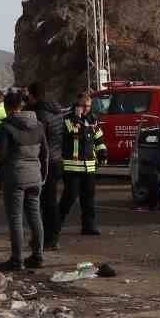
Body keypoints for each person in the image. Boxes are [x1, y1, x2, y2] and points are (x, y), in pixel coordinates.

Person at [0, 90, 48, 270]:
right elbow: (45, 154)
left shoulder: (6, 126)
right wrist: (43, 176)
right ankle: (38, 256)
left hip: (15, 177)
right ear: (21, 105)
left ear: (8, 107)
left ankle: (17, 260)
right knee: (35, 216)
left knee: (15, 218)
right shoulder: (38, 125)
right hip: (35, 176)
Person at [25, 82, 65, 249]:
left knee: (42, 204)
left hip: (44, 162)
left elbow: (34, 140)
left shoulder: (38, 114)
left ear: (33, 95)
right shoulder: (56, 112)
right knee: (50, 202)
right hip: (56, 160)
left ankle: (48, 239)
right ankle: (50, 237)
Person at [62, 91, 108, 235]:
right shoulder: (69, 119)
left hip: (89, 166)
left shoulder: (93, 120)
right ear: (77, 105)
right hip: (72, 167)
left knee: (88, 199)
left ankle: (89, 226)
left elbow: (98, 139)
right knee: (68, 199)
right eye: (83, 106)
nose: (86, 108)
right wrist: (77, 117)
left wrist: (102, 153)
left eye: (88, 106)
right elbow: (75, 134)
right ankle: (54, 226)